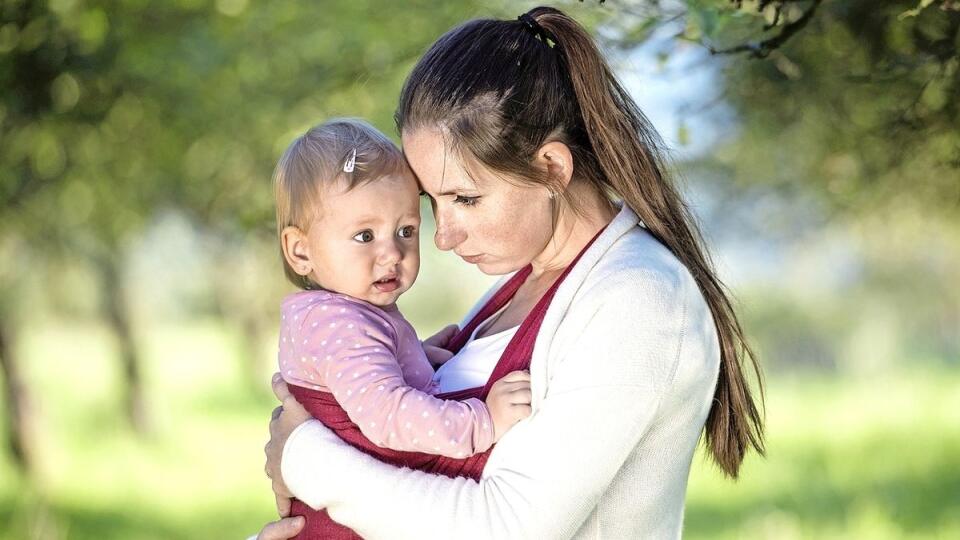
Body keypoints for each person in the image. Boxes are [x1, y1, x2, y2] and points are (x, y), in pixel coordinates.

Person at [258, 6, 765, 539]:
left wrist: (305, 455)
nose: (442, 236)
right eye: (434, 202)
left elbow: (505, 528)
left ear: (551, 168)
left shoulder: (638, 299)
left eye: (466, 199)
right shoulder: (519, 289)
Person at [270, 118, 532, 538]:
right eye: (364, 236)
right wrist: (483, 420)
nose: (391, 252)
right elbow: (389, 415)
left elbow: (363, 376)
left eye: (406, 230)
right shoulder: (338, 324)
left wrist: (416, 352)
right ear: (301, 251)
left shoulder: (345, 313)